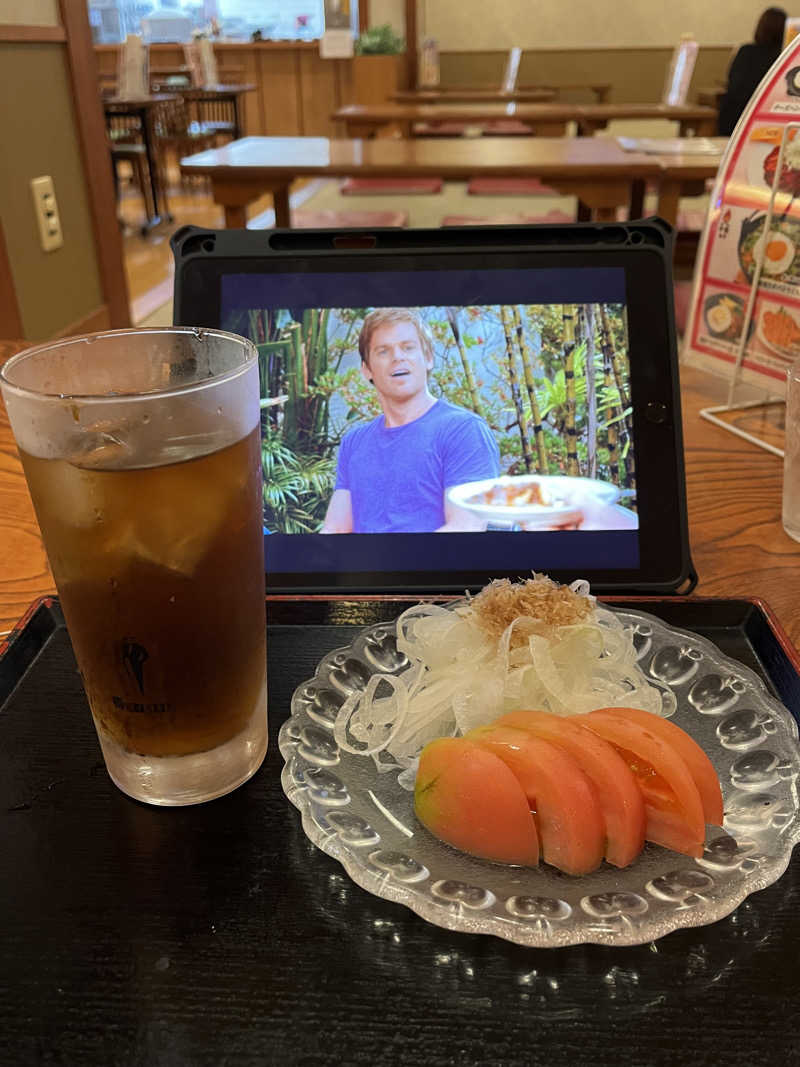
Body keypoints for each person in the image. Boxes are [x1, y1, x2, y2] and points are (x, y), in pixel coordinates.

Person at [321, 308, 500, 533]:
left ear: (428, 359)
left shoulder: (463, 430)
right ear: (367, 370)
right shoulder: (353, 443)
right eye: (383, 351)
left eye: (408, 347)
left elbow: (466, 527)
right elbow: (335, 531)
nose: (398, 357)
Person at [718, 7, 787, 135]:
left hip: (731, 119)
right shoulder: (782, 58)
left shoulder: (744, 51)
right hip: (763, 123)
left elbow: (731, 80)